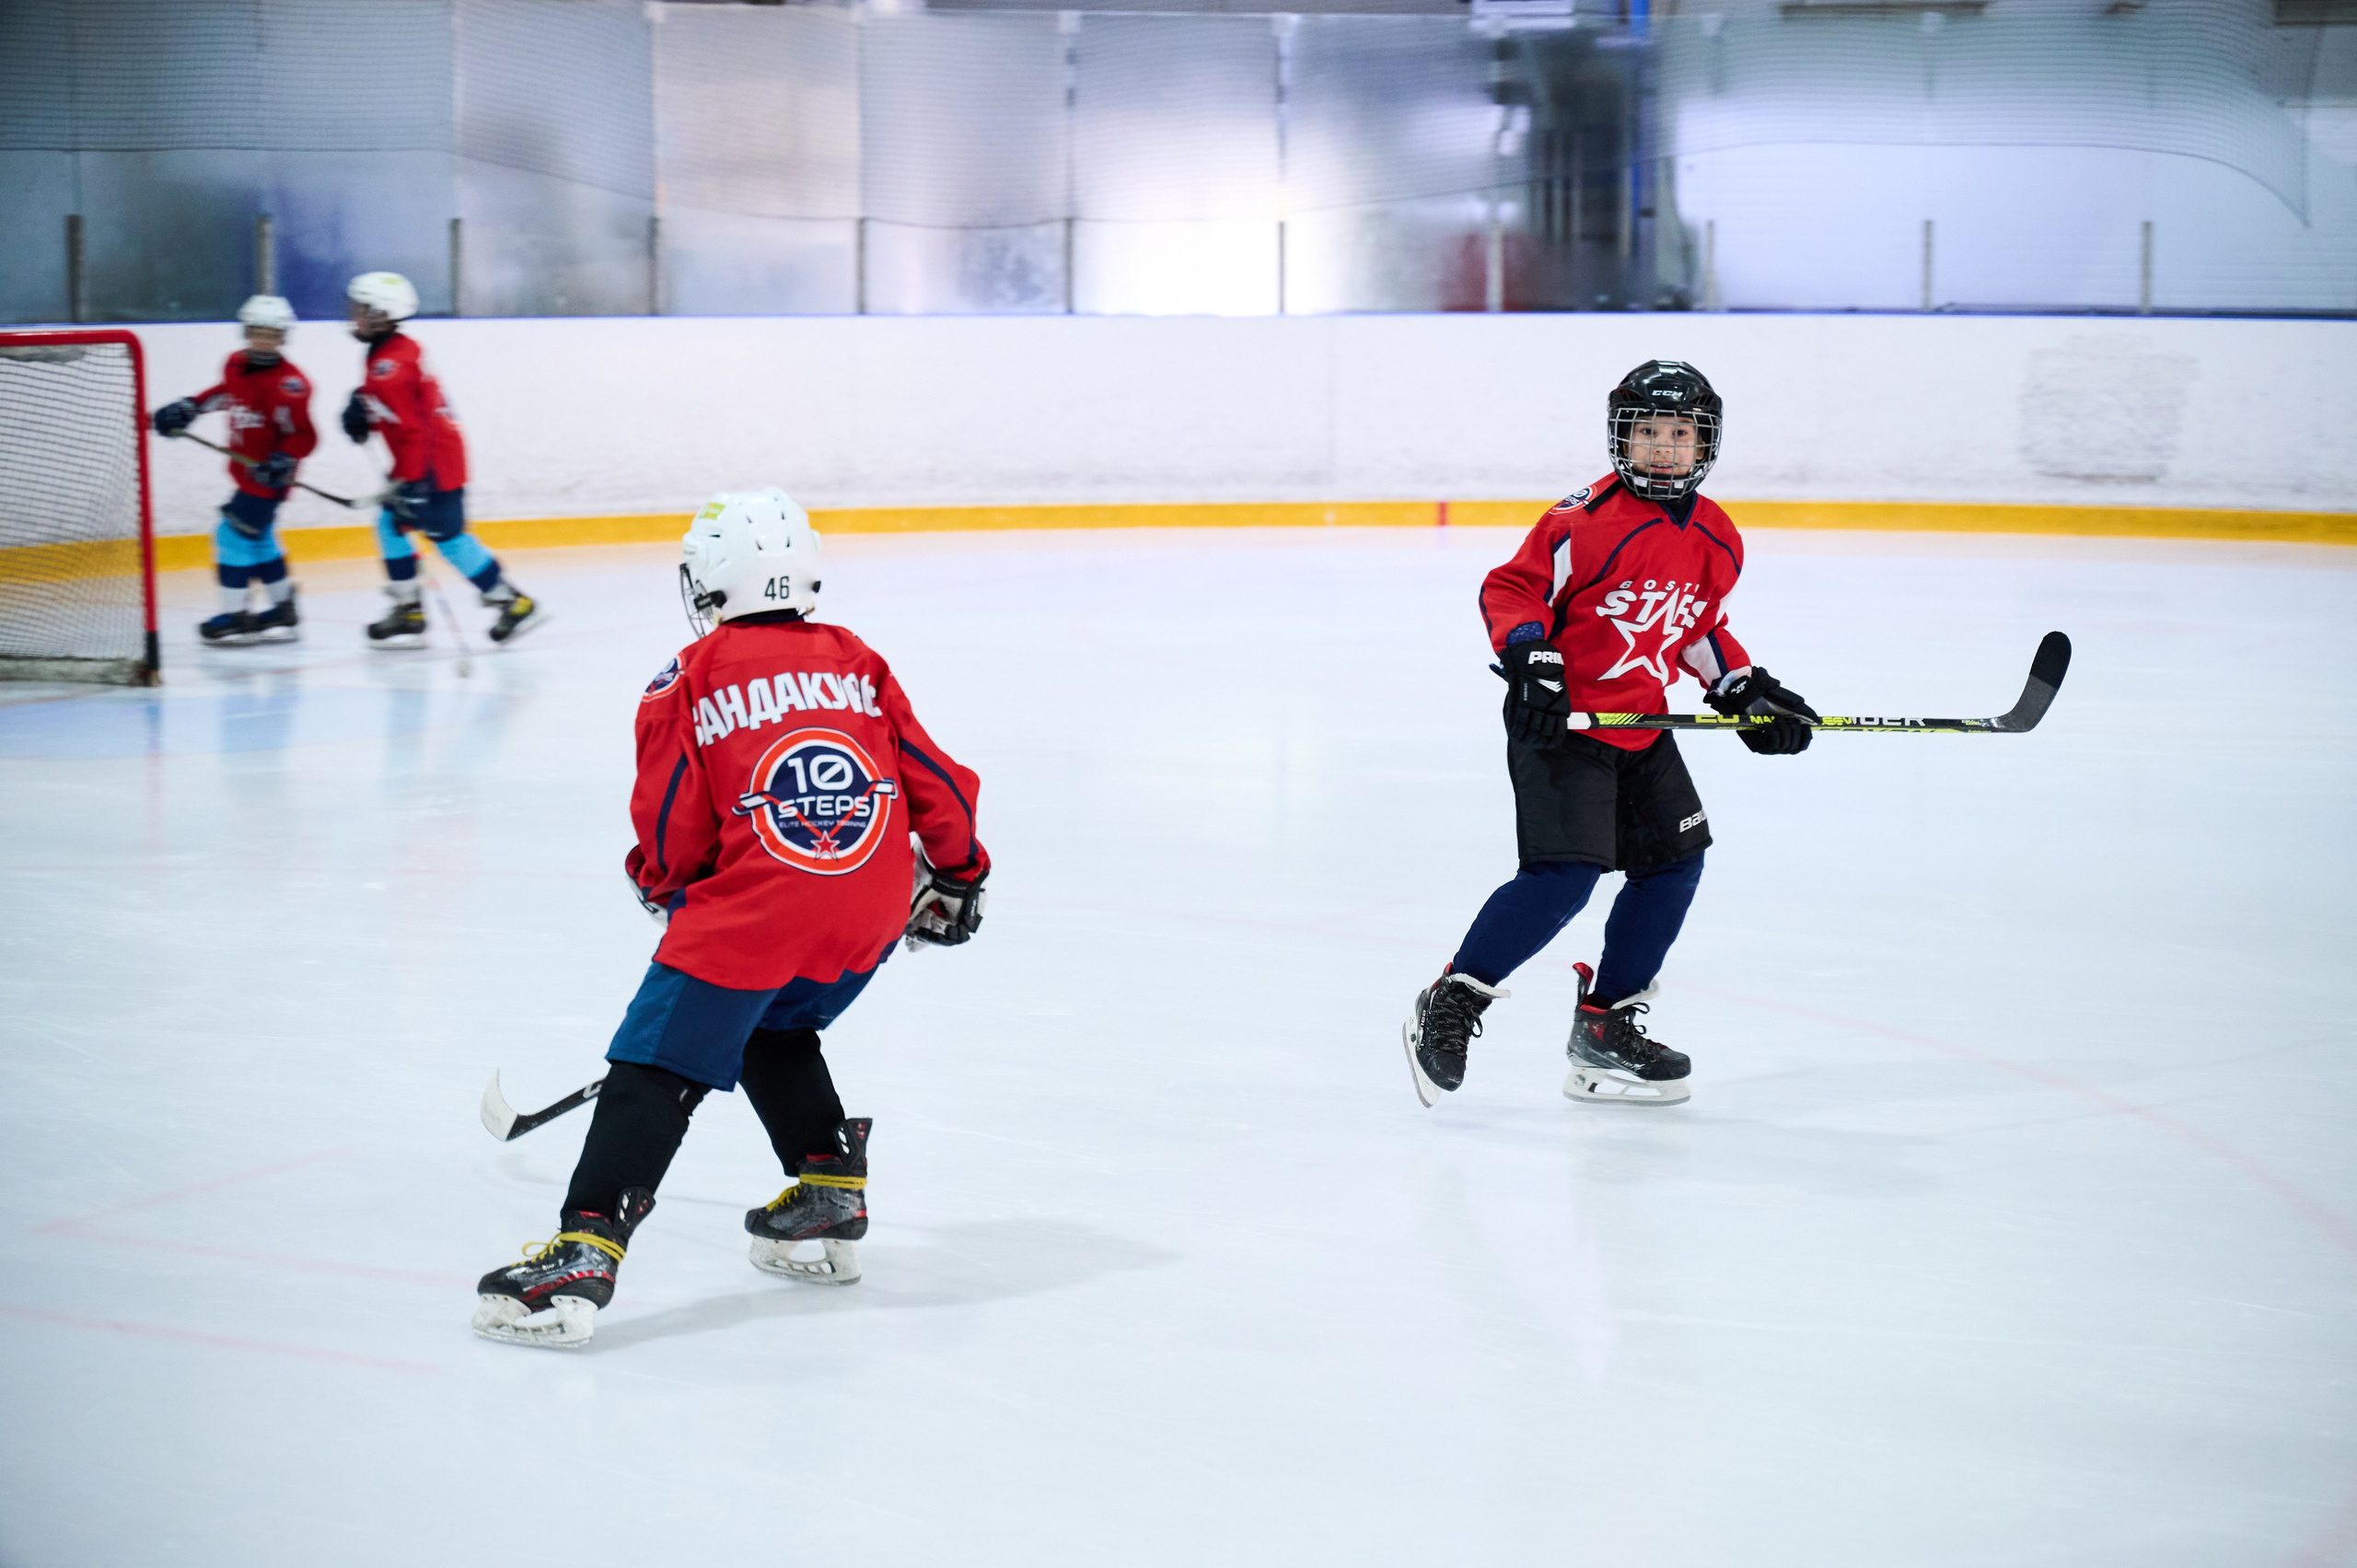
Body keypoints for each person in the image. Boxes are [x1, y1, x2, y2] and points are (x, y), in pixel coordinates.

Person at [473, 488, 991, 1349]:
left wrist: (665, 886)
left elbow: (672, 824)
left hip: (756, 914)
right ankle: (827, 1183)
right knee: (771, 1024)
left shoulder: (687, 675)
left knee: (656, 1057)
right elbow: (935, 777)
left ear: (710, 579)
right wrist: (962, 874)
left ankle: (581, 1250)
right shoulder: (858, 659)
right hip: (867, 913)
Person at [1402, 360, 1817, 1110]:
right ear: (1621, 437)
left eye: (1681, 434)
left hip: (1640, 721)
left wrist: (1742, 687)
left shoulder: (1718, 536)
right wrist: (1532, 655)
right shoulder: (1582, 522)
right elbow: (1512, 588)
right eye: (1649, 431)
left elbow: (1695, 628)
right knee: (1566, 874)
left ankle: (1605, 1025)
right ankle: (1454, 998)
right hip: (1561, 719)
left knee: (1674, 861)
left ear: (1705, 443)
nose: (1664, 448)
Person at [340, 272, 543, 648]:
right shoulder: (392, 352)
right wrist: (361, 405)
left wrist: (416, 483)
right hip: (423, 463)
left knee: (448, 539)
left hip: (431, 466)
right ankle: (410, 610)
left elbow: (417, 428)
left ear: (385, 314)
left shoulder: (390, 365)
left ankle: (514, 602)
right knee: (391, 526)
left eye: (364, 309)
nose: (356, 314)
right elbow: (405, 408)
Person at [151, 296, 315, 645]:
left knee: (230, 536)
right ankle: (284, 608)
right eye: (258, 332)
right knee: (261, 540)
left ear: (284, 336)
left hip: (269, 478)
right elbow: (228, 394)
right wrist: (192, 406)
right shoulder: (235, 365)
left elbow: (304, 435)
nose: (264, 341)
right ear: (246, 332)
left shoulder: (291, 385)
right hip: (246, 474)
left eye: (273, 334)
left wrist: (283, 459)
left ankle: (236, 616)